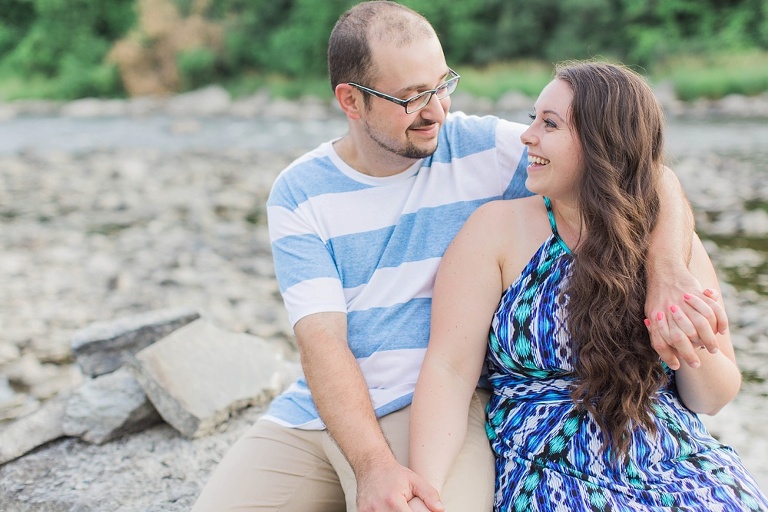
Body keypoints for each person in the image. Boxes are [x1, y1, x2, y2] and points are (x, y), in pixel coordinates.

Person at [192, 3, 726, 511]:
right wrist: (373, 466)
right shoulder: (300, 192)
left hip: (429, 406)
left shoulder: (485, 148)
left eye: (442, 84)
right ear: (351, 101)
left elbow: (638, 171)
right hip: (323, 411)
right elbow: (321, 343)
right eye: (411, 97)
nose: (436, 110)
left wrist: (666, 270)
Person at [408, 60, 768, 512]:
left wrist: (686, 334)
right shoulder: (496, 231)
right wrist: (426, 487)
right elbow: (450, 371)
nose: (527, 136)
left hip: (673, 458)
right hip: (550, 467)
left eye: (550, 124)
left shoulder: (667, 246)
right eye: (533, 119)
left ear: (603, 143)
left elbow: (712, 399)